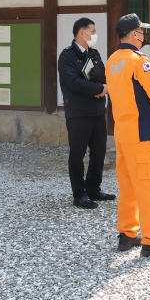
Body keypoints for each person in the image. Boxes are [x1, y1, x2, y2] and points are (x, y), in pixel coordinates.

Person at [105, 14, 150, 256]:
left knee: (127, 186)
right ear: (134, 34)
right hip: (140, 132)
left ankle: (127, 234)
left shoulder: (113, 60)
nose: (143, 35)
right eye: (141, 31)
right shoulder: (139, 61)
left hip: (122, 132)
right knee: (149, 187)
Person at [58, 17, 114, 209]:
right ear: (82, 33)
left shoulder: (94, 54)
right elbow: (74, 82)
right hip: (78, 113)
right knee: (77, 155)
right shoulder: (67, 56)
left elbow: (103, 75)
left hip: (97, 111)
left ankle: (93, 188)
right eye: (93, 31)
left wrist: (100, 85)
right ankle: (79, 194)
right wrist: (98, 89)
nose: (95, 35)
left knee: (98, 153)